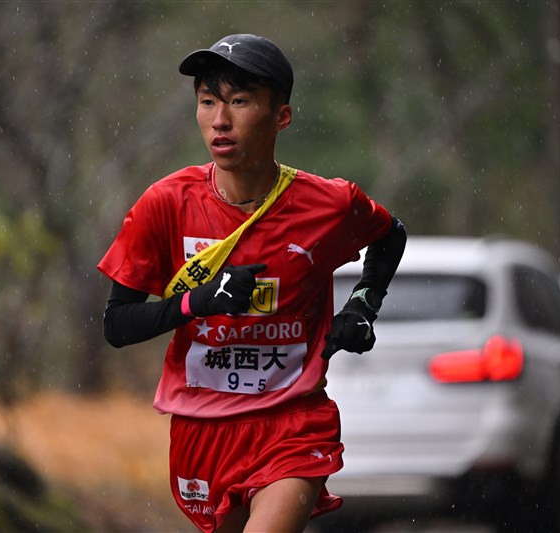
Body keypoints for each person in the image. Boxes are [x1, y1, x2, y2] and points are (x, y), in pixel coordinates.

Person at [98, 33, 406, 533]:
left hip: (293, 420)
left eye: (239, 102)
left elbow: (389, 235)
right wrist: (196, 302)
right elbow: (117, 324)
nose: (220, 120)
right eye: (207, 102)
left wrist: (362, 307)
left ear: (281, 116)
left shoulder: (327, 203)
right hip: (202, 428)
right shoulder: (165, 203)